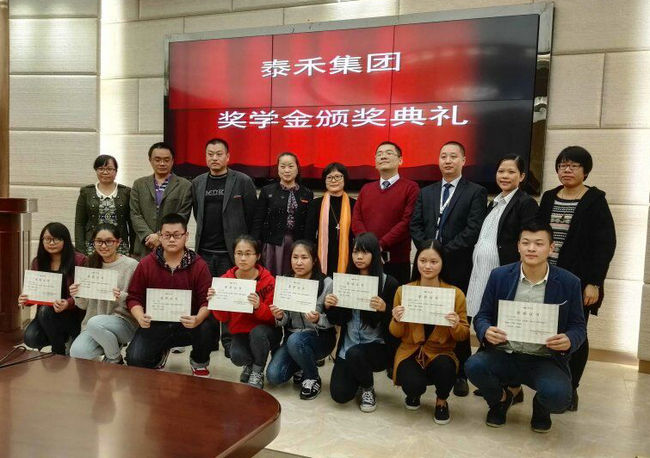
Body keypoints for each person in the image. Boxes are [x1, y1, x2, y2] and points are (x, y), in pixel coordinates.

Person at [465, 222, 587, 433]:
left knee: (560, 398)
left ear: (551, 248)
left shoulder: (569, 282)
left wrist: (569, 339)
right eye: (526, 243)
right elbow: (482, 316)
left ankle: (541, 406)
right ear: (518, 246)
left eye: (539, 243)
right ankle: (501, 400)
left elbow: (578, 327)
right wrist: (485, 330)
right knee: (473, 366)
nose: (531, 248)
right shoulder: (499, 275)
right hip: (505, 353)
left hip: (544, 358)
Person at [537, 146, 616, 411]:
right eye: (562, 165)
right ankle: (548, 384)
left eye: (573, 166)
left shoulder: (595, 200)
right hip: (546, 278)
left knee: (575, 335)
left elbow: (604, 245)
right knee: (546, 331)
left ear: (585, 171)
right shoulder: (549, 197)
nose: (567, 170)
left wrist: (594, 282)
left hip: (579, 282)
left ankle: (572, 388)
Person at [410, 140, 487, 396]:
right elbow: (415, 225)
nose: (447, 161)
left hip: (456, 266)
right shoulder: (426, 192)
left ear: (463, 160)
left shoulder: (475, 192)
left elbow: (473, 230)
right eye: (443, 156)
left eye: (453, 156)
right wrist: (428, 253)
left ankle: (460, 373)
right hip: (425, 266)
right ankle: (418, 364)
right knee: (422, 314)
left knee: (455, 318)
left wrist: (442, 254)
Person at [125, 213, 216, 377]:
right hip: (155, 323)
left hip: (188, 324)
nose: (172, 240)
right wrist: (139, 316)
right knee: (135, 359)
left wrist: (198, 318)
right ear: (160, 236)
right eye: (167, 235)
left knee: (209, 326)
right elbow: (133, 297)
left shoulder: (199, 265)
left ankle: (199, 361)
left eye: (177, 235)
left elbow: (207, 301)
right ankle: (160, 353)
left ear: (186, 236)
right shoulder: (147, 263)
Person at [390, 240, 469, 424]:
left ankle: (441, 401)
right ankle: (414, 394)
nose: (427, 266)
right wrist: (396, 319)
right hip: (410, 350)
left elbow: (463, 335)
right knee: (412, 385)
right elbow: (395, 333)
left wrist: (455, 325)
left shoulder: (455, 294)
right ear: (416, 261)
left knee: (445, 367)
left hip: (440, 351)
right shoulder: (404, 291)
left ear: (442, 264)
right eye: (423, 260)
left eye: (434, 262)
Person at [191, 138, 257, 356]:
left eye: (219, 154)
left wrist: (248, 250)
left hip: (231, 253)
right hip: (205, 252)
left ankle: (230, 342)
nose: (214, 158)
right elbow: (198, 213)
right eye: (210, 154)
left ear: (228, 157)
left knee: (231, 298)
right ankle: (209, 341)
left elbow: (252, 216)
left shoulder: (243, 181)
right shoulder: (198, 182)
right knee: (208, 296)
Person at [325, 232, 399, 412]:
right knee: (339, 395)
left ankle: (367, 388)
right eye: (355, 252)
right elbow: (336, 320)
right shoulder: (345, 281)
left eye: (365, 252)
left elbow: (398, 325)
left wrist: (385, 309)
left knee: (356, 354)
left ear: (375, 254)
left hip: (377, 348)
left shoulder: (389, 283)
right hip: (348, 346)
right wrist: (330, 307)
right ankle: (359, 376)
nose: (359, 257)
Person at [266, 240, 336, 400]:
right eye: (295, 257)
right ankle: (300, 363)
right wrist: (279, 316)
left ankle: (312, 377)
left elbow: (334, 320)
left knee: (296, 340)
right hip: (292, 338)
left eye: (304, 257)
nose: (299, 262)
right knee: (274, 376)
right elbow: (284, 320)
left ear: (314, 260)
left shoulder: (327, 283)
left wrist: (318, 319)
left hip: (320, 338)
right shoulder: (285, 281)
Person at [210, 235, 279, 389]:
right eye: (239, 253)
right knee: (236, 356)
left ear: (258, 256)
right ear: (233, 255)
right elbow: (223, 318)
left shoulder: (269, 281)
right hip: (241, 332)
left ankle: (257, 371)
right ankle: (250, 365)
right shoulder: (225, 280)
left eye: (248, 254)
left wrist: (258, 306)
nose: (243, 258)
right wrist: (215, 301)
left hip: (265, 332)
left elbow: (273, 318)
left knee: (258, 334)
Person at [351, 141, 419, 285]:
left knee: (394, 298)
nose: (383, 157)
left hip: (396, 261)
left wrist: (378, 246)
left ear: (400, 160)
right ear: (375, 161)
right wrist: (368, 247)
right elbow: (356, 219)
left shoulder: (411, 188)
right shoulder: (366, 189)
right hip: (366, 261)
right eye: (379, 154)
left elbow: (406, 223)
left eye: (389, 153)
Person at [69, 224, 139, 363]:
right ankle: (111, 345)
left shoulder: (132, 265)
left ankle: (114, 358)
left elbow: (138, 299)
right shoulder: (89, 263)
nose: (103, 246)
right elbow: (83, 306)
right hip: (93, 323)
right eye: (99, 241)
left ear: (118, 242)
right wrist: (77, 294)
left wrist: (121, 296)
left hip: (123, 322)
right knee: (77, 352)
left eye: (109, 241)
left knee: (95, 323)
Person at [20, 222, 86, 355]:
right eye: (47, 239)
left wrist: (68, 303)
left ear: (65, 240)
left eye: (56, 239)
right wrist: (25, 299)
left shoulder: (80, 260)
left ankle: (58, 351)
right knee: (31, 338)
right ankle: (62, 339)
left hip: (72, 314)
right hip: (46, 315)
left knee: (45, 310)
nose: (51, 243)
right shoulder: (38, 262)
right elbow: (34, 293)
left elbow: (85, 294)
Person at [252, 152, 313, 276]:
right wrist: (254, 245)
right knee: (271, 276)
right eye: (283, 166)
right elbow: (258, 220)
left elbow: (309, 224)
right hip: (272, 244)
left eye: (290, 166)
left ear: (297, 169)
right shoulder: (267, 191)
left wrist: (309, 247)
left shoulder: (307, 193)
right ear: (278, 169)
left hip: (298, 245)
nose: (287, 170)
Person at [130, 142, 192, 258]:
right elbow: (135, 214)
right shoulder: (139, 184)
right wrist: (149, 236)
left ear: (172, 161)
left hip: (172, 245)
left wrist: (160, 236)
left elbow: (183, 215)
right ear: (150, 160)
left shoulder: (185, 185)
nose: (162, 163)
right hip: (144, 245)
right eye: (157, 160)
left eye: (166, 160)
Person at [304, 162, 356, 276]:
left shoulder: (354, 204)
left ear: (345, 179)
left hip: (348, 255)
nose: (333, 180)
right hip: (321, 255)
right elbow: (309, 235)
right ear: (324, 180)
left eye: (338, 176)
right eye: (329, 177)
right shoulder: (315, 204)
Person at [75, 154, 132, 256]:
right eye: (101, 169)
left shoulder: (126, 192)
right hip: (92, 246)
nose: (105, 172)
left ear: (116, 171)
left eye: (109, 169)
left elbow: (131, 223)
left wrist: (133, 250)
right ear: (96, 170)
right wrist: (80, 251)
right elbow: (79, 223)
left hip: (119, 245)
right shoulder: (86, 192)